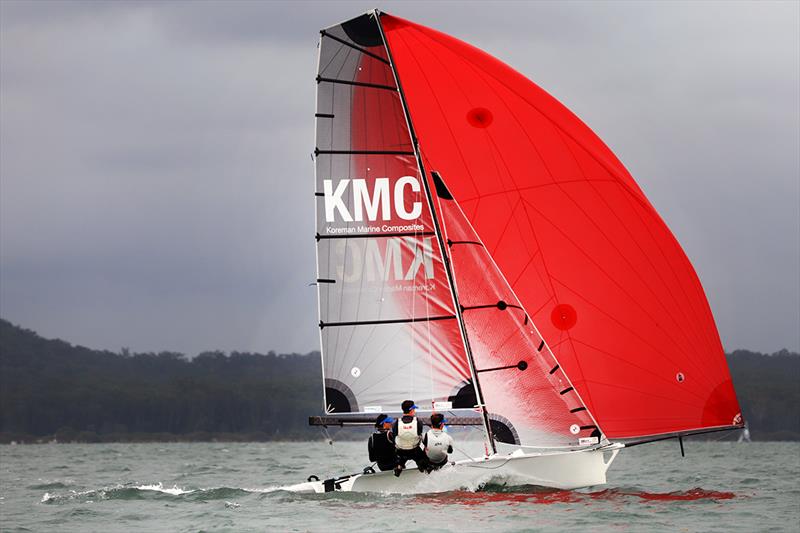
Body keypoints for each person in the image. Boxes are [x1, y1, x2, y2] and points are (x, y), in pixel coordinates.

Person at [391, 400, 429, 476]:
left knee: (400, 459)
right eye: (414, 409)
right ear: (411, 410)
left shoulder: (396, 423)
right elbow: (419, 435)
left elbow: (394, 437)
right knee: (424, 463)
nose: (414, 411)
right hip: (414, 450)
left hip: (401, 451)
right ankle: (422, 467)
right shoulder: (418, 422)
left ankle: (399, 466)